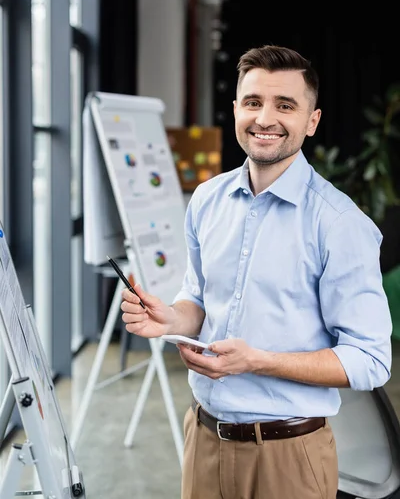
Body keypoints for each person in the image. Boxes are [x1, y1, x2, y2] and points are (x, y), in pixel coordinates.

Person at [120, 45, 392, 499]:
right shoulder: (206, 201)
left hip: (290, 457)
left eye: (285, 105)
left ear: (312, 121)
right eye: (253, 102)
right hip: (204, 439)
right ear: (235, 110)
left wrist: (258, 361)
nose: (265, 118)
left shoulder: (341, 225)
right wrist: (172, 319)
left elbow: (371, 360)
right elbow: (199, 301)